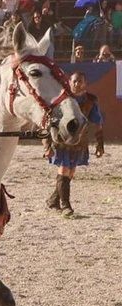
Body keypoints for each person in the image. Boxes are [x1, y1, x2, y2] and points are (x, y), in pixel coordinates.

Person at [45, 72, 103, 217]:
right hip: (61, 141)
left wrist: (100, 143)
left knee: (70, 173)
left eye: (80, 81)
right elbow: (48, 123)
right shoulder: (61, 100)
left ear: (85, 83)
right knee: (64, 170)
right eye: (75, 81)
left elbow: (98, 122)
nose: (77, 84)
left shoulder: (90, 101)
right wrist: (47, 146)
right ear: (69, 82)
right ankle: (66, 207)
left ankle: (53, 200)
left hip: (79, 142)